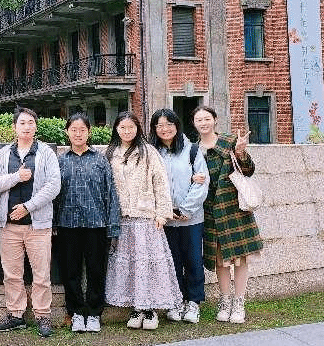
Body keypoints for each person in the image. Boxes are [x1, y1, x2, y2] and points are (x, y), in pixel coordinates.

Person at [104, 111, 182, 330]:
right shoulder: (110, 153)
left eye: (131, 127)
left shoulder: (148, 152)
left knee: (148, 265)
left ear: (137, 129)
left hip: (147, 218)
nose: (127, 131)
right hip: (122, 218)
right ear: (116, 129)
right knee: (130, 266)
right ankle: (136, 308)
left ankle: (150, 309)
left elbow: (161, 183)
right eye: (122, 127)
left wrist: (162, 214)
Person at [0, 107, 62, 338]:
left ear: (36, 127)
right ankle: (15, 315)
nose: (26, 127)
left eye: (31, 123)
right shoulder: (3, 154)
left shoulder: (46, 153)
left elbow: (54, 186)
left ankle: (43, 316)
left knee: (41, 275)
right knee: (12, 274)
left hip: (38, 225)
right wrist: (16, 177)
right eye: (22, 123)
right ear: (14, 127)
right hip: (9, 226)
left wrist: (27, 207)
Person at [192, 105, 262, 324]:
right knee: (220, 261)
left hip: (234, 210)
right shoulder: (194, 150)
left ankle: (239, 303)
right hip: (210, 211)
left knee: (240, 259)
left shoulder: (230, 141)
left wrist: (241, 152)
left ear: (215, 120)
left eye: (207, 119)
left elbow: (248, 170)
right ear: (194, 124)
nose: (203, 123)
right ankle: (224, 301)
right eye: (199, 120)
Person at [54, 113, 121, 333]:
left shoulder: (100, 160)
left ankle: (93, 313)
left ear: (89, 132)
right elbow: (53, 195)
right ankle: (75, 313)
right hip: (67, 225)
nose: (78, 134)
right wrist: (52, 224)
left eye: (82, 130)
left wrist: (112, 225)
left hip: (96, 225)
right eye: (73, 130)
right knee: (70, 271)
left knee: (96, 270)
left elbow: (111, 194)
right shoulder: (60, 161)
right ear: (67, 132)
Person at [149, 108, 209, 324]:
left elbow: (202, 183)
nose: (164, 129)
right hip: (165, 219)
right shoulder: (152, 153)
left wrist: (185, 210)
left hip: (191, 219)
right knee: (171, 262)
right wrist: (165, 211)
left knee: (193, 260)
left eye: (169, 124)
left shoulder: (192, 150)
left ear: (177, 125)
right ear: (154, 129)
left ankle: (193, 302)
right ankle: (176, 300)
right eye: (159, 125)